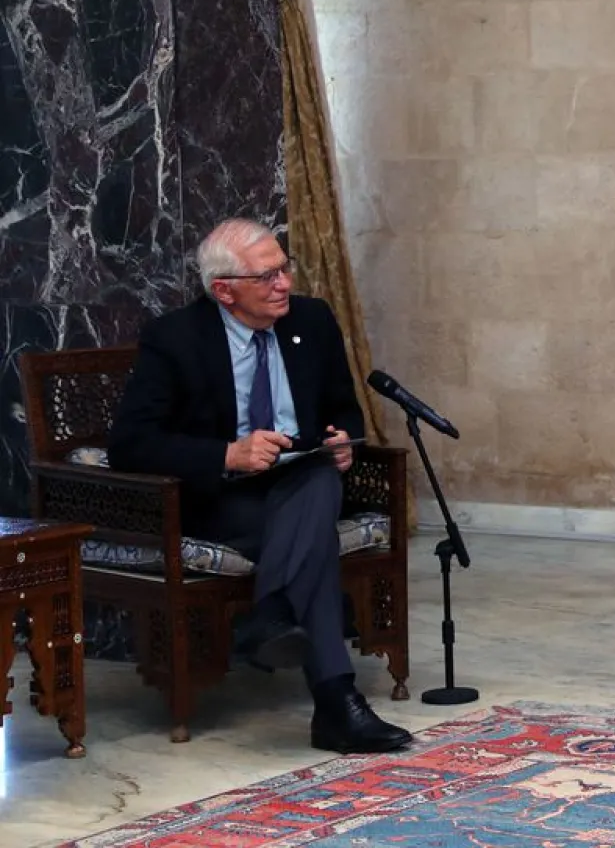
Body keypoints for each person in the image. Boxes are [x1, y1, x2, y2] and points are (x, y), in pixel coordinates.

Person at [109, 218, 412, 755]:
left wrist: (346, 439)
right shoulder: (175, 338)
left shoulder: (312, 321)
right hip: (222, 497)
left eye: (285, 269)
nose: (284, 285)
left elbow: (344, 407)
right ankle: (336, 706)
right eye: (267, 276)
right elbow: (131, 444)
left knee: (317, 482)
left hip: (304, 477)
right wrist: (227, 454)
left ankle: (270, 615)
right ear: (224, 290)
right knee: (314, 532)